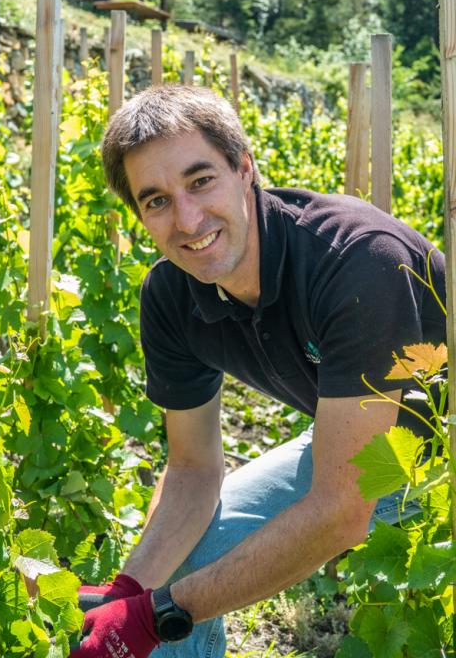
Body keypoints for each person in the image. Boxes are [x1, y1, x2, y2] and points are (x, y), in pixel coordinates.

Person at [70, 85, 446, 658]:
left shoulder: (358, 262)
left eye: (201, 181)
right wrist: (127, 596)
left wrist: (158, 617)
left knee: (163, 610)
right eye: (157, 201)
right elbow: (193, 469)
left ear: (244, 168)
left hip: (437, 455)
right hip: (370, 447)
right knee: (173, 577)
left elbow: (342, 510)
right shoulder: (170, 295)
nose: (188, 219)